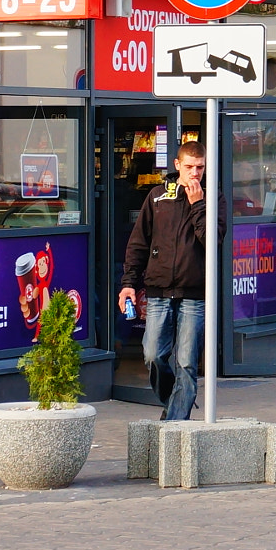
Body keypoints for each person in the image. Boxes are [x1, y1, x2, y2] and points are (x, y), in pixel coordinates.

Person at [118, 140, 207, 422]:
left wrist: (197, 205)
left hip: (193, 292)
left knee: (186, 362)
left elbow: (212, 240)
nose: (195, 173)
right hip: (158, 291)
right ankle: (176, 401)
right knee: (153, 355)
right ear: (177, 165)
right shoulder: (157, 196)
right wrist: (128, 283)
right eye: (190, 167)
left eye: (200, 168)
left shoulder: (212, 199)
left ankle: (174, 426)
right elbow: (138, 243)